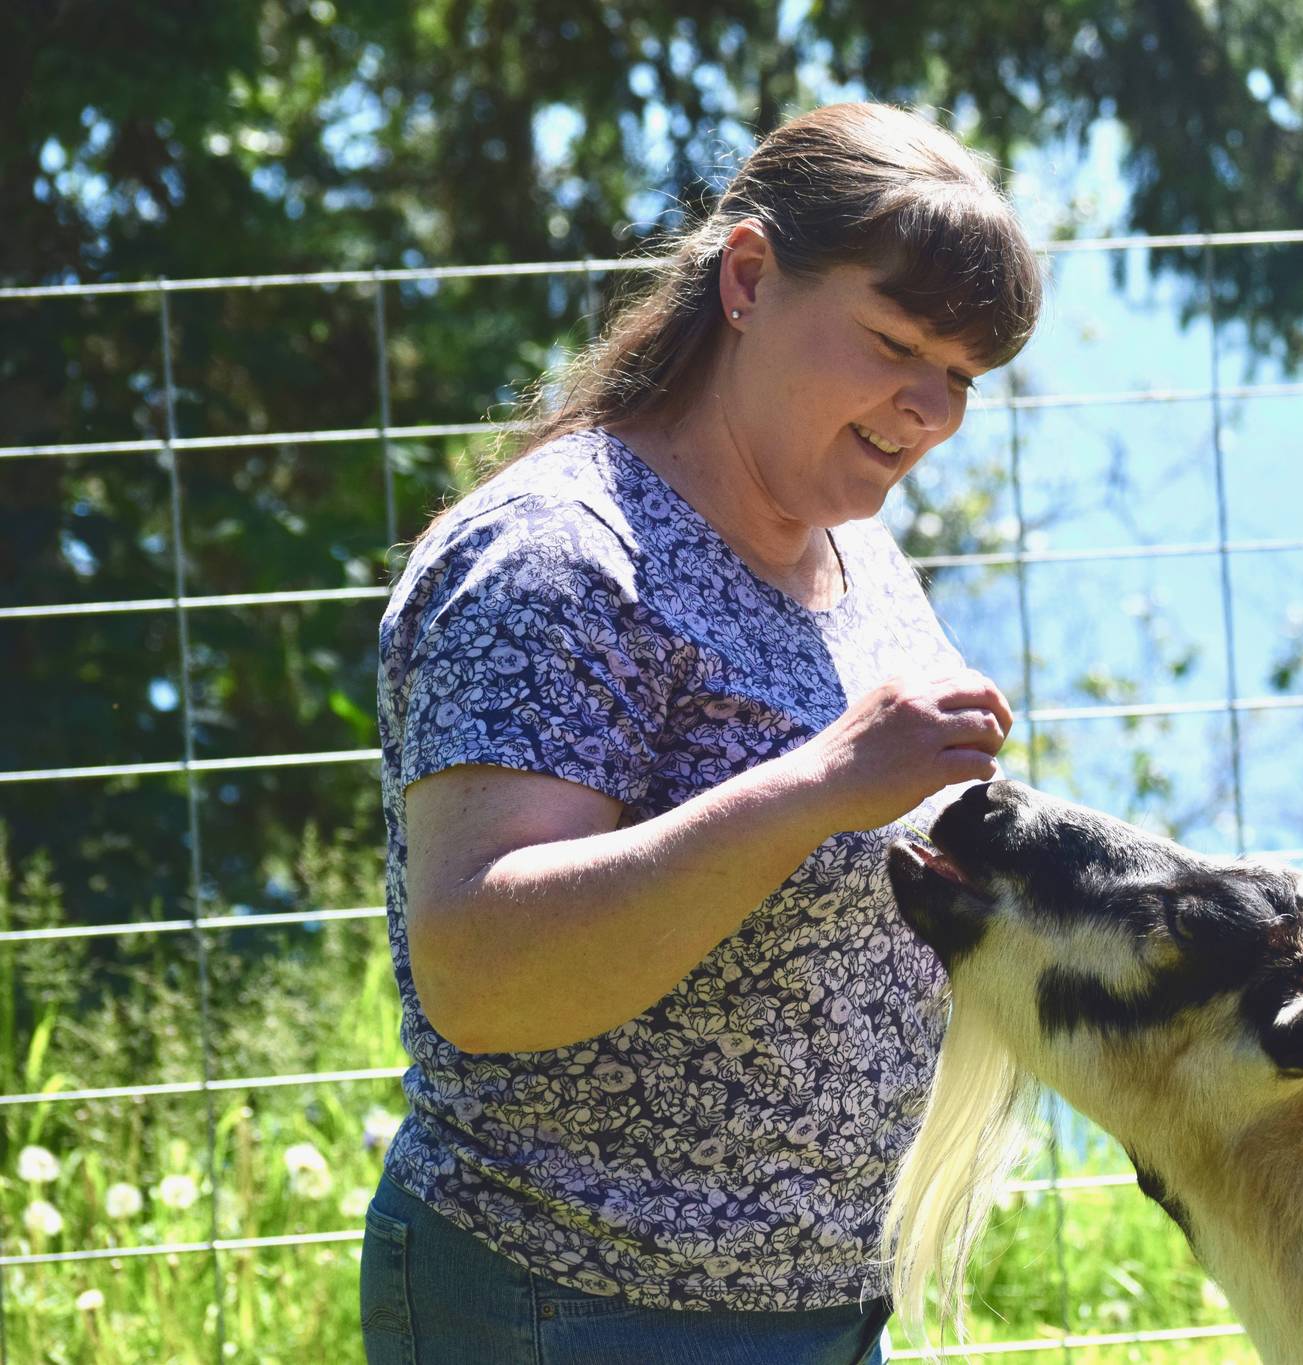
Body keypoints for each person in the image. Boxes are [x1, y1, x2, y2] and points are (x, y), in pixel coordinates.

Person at [358, 102, 1042, 1365]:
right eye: (895, 344)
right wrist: (823, 782)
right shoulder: (559, 559)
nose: (930, 408)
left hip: (817, 1306)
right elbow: (481, 971)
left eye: (959, 374)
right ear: (745, 278)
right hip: (572, 1306)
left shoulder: (858, 550)